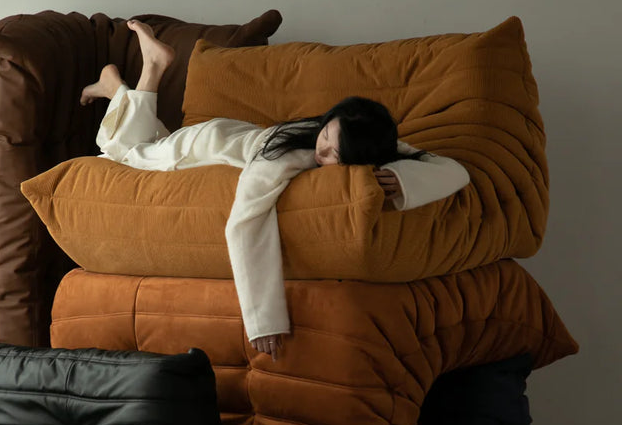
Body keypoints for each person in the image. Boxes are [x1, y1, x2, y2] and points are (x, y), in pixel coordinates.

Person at [81, 20, 470, 360]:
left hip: (227, 133)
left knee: (141, 141)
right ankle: (150, 68)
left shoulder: (364, 141)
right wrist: (263, 320)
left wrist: (404, 179)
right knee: (120, 152)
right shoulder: (284, 158)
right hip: (202, 145)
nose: (325, 150)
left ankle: (116, 84)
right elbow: (245, 221)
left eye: (338, 154)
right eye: (328, 136)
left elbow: (454, 169)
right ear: (329, 119)